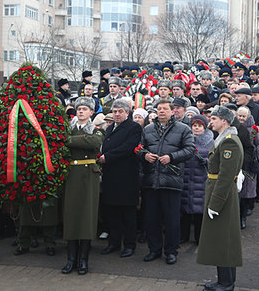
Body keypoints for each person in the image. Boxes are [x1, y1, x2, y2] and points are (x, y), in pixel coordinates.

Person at [138, 99, 195, 265]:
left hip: (172, 180)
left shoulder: (183, 129)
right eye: (159, 109)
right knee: (152, 218)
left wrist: (172, 157)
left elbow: (190, 149)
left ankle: (171, 251)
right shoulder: (148, 129)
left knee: (172, 220)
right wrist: (144, 155)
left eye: (165, 109)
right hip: (151, 181)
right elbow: (139, 148)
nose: (161, 111)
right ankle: (154, 249)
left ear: (172, 111)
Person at [197, 105, 244, 291]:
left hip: (221, 194)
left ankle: (225, 282)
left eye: (214, 118)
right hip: (220, 191)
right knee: (222, 239)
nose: (211, 121)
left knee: (223, 239)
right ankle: (225, 280)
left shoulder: (229, 142)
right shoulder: (224, 139)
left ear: (224, 121)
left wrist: (215, 203)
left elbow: (225, 177)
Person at [62, 97, 105, 275]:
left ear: (91, 112)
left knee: (86, 217)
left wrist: (70, 140)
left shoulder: (97, 130)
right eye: (79, 109)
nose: (80, 111)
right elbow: (64, 141)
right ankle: (71, 259)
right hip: (71, 175)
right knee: (71, 216)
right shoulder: (69, 129)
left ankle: (83, 260)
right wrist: (79, 139)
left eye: (85, 109)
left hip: (89, 176)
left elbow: (94, 143)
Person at [98, 99, 142, 258]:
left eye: (120, 111)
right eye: (115, 111)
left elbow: (128, 147)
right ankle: (114, 243)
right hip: (111, 176)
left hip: (126, 177)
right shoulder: (110, 129)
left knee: (128, 213)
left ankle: (129, 245)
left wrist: (107, 157)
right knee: (112, 212)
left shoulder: (134, 127)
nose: (116, 114)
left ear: (127, 113)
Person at [180, 115, 213, 245]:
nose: (197, 128)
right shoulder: (186, 140)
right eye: (194, 125)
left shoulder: (211, 142)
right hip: (187, 178)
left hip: (201, 180)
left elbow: (215, 160)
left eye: (199, 126)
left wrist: (206, 162)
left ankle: (200, 237)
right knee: (185, 210)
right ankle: (183, 236)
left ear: (204, 127)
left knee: (200, 210)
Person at [237, 106, 259, 229]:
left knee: (245, 193)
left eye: (244, 116)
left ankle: (243, 218)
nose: (241, 118)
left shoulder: (254, 130)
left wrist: (252, 154)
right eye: (240, 116)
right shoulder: (235, 127)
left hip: (248, 165)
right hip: (236, 163)